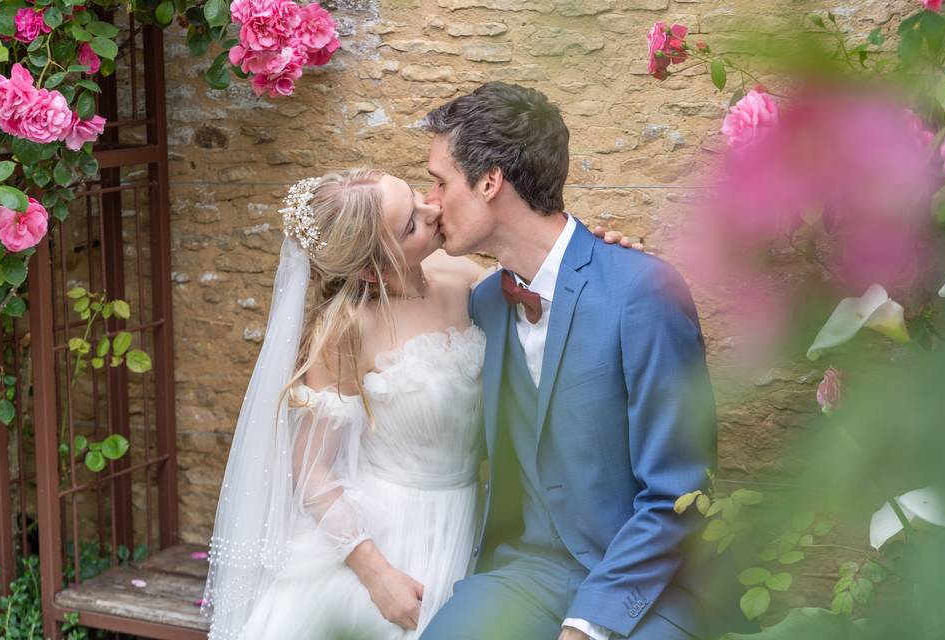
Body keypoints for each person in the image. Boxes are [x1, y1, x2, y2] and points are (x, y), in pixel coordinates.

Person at [202, 168, 634, 640]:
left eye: (416, 196)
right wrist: (376, 575)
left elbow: (546, 305)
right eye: (411, 225)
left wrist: (597, 264)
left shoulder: (466, 278)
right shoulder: (346, 330)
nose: (433, 210)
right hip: (390, 539)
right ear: (371, 267)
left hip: (475, 522)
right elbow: (312, 473)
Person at [420, 82, 737, 640]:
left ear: (490, 181)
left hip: (648, 583)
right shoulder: (487, 303)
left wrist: (587, 625)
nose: (430, 201)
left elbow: (680, 490)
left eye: (439, 182)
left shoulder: (643, 292)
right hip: (526, 572)